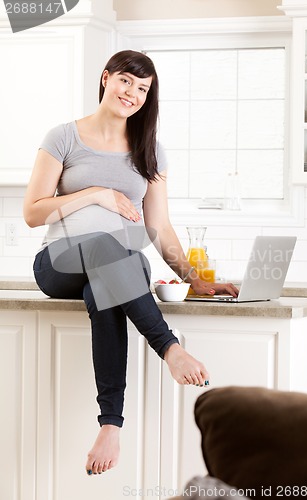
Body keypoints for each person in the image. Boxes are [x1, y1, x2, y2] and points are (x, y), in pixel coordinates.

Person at [23, 50, 238, 476]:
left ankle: (110, 424)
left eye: (143, 89)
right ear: (106, 79)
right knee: (106, 249)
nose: (133, 94)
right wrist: (96, 194)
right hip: (58, 261)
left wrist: (197, 281)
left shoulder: (149, 150)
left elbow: (158, 226)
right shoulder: (63, 137)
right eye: (126, 82)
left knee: (109, 282)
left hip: (117, 265)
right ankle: (169, 348)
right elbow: (33, 213)